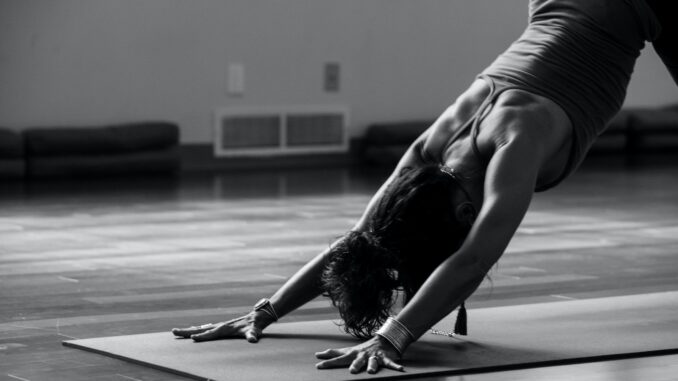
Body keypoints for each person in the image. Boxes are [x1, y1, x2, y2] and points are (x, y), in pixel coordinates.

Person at [173, 0, 676, 375]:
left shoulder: (514, 143)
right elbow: (360, 240)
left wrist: (393, 338)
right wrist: (265, 311)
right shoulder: (427, 156)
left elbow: (472, 260)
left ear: (462, 216)